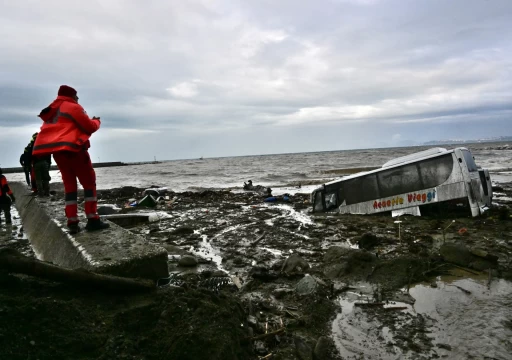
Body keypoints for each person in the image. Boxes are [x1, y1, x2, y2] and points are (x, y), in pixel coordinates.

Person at [32, 85, 109, 234]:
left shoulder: (52, 110)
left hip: (59, 153)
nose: (78, 99)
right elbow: (89, 127)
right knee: (88, 183)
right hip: (75, 151)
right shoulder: (72, 107)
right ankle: (93, 219)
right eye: (77, 96)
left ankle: (72, 222)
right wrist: (97, 121)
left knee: (70, 186)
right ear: (72, 96)